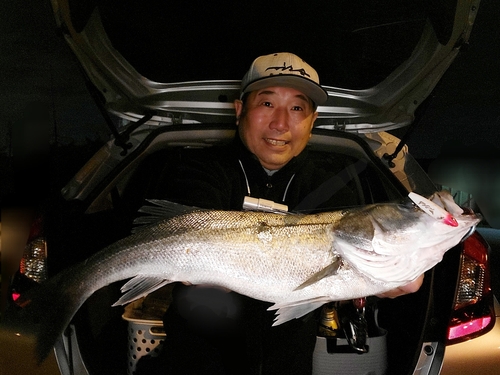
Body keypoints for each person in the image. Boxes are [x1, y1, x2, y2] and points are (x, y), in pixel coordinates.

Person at [137, 52, 423, 375]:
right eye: (267, 103)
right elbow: (194, 215)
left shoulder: (332, 189)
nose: (281, 123)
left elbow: (339, 272)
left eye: (297, 108)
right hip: (194, 365)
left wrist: (378, 278)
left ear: (312, 122)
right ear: (240, 110)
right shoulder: (202, 168)